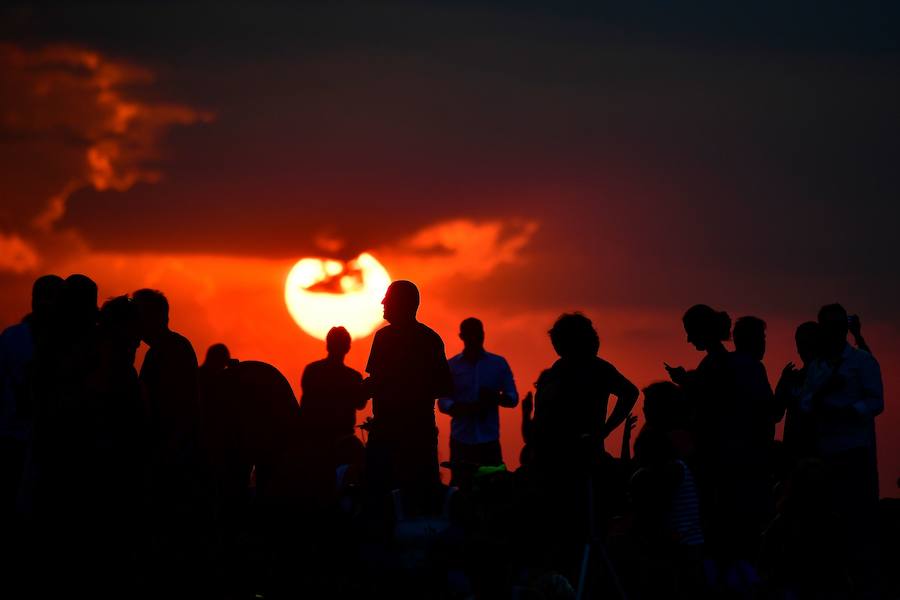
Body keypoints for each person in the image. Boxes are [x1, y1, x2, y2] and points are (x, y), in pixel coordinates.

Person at [802, 303, 883, 598]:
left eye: (839, 326)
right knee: (830, 522)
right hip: (826, 453)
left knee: (857, 519)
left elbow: (876, 402)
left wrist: (849, 412)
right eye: (830, 327)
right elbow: (805, 402)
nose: (835, 332)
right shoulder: (818, 366)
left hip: (854, 451)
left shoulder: (862, 362)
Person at [363, 280, 452, 509]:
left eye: (388, 298)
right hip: (410, 435)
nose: (383, 302)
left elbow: (443, 385)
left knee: (384, 501)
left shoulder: (385, 339)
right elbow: (444, 386)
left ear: (403, 304)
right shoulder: (429, 339)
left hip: (400, 437)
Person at [438, 318, 518, 476]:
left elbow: (513, 397)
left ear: (483, 335)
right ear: (462, 336)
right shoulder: (451, 366)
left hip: (488, 440)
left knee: (492, 488)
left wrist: (495, 398)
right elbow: (443, 400)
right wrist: (458, 408)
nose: (475, 338)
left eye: (478, 334)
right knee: (463, 488)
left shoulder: (498, 364)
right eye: (471, 334)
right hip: (462, 439)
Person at [299, 326, 366, 466]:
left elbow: (304, 407)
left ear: (328, 345)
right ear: (347, 347)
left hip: (314, 441)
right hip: (343, 442)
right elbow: (361, 404)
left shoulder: (312, 371)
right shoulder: (353, 377)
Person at [774, 321, 821, 461]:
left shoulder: (829, 376)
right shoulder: (792, 378)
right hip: (795, 454)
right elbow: (776, 413)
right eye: (800, 344)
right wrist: (782, 384)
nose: (801, 349)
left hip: (818, 455)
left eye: (807, 343)